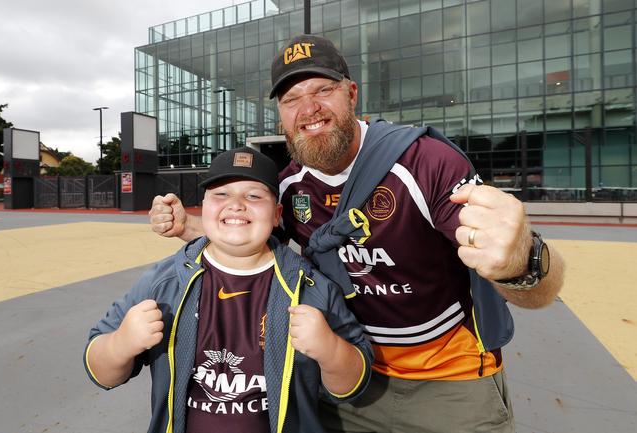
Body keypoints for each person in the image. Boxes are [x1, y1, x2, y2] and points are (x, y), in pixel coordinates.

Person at [149, 35, 565, 433]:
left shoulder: (423, 162)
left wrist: (522, 259)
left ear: (351, 94)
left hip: (449, 381)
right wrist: (190, 226)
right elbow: (256, 240)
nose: (308, 108)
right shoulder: (289, 188)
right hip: (343, 377)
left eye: (322, 90)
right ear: (280, 115)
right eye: (291, 99)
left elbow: (526, 281)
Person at [84, 146, 373, 433]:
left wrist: (331, 350)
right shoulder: (163, 282)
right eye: (220, 194)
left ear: (277, 214)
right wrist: (122, 343)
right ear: (204, 207)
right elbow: (102, 373)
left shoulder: (310, 287)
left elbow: (352, 385)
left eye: (254, 196)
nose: (235, 204)